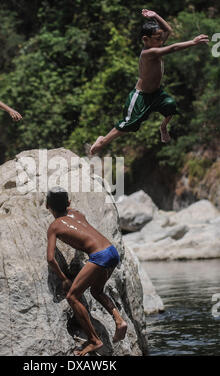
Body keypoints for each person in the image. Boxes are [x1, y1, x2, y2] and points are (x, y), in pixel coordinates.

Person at [90, 9, 209, 154]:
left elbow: (168, 30)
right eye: (157, 39)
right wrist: (193, 42)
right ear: (146, 39)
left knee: (170, 105)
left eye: (161, 39)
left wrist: (155, 16)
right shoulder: (149, 53)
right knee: (129, 124)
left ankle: (163, 127)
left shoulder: (155, 45)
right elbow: (173, 48)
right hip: (141, 96)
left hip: (156, 93)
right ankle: (102, 141)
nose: (161, 41)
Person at [46, 187, 127, 356]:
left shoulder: (54, 227)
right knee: (96, 291)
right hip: (111, 251)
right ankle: (119, 321)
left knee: (72, 296)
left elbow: (51, 259)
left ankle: (94, 340)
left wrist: (63, 279)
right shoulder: (77, 214)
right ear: (68, 203)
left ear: (47, 205)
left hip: (99, 257)